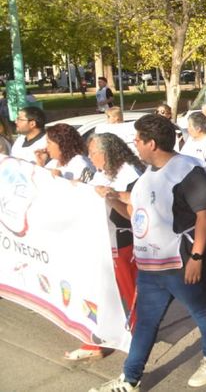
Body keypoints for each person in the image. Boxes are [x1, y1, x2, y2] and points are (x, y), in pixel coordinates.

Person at [89, 114, 206, 392]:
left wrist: (196, 257)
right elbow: (136, 214)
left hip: (180, 262)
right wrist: (111, 197)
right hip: (150, 267)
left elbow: (205, 214)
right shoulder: (147, 175)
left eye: (138, 139)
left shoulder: (186, 169)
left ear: (152, 143)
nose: (134, 144)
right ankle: (130, 378)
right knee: (145, 323)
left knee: (202, 313)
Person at [65, 133, 145, 361]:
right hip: (99, 239)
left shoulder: (130, 174)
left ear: (106, 153)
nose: (90, 159)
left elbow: (134, 215)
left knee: (127, 291)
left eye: (93, 154)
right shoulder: (101, 171)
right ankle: (103, 335)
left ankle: (136, 337)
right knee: (102, 290)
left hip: (122, 241)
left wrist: (111, 198)